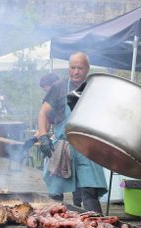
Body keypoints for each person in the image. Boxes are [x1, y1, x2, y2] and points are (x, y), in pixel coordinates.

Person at [37, 52, 107, 213]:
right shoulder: (59, 87)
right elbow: (43, 113)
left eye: (80, 68)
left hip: (88, 149)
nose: (76, 72)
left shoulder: (95, 88)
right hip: (64, 146)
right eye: (72, 67)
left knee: (90, 192)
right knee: (55, 193)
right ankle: (53, 227)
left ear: (87, 69)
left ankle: (95, 226)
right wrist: (43, 136)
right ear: (68, 68)